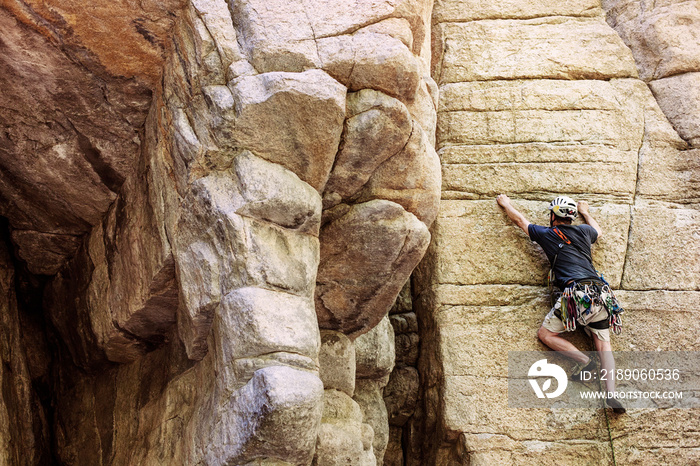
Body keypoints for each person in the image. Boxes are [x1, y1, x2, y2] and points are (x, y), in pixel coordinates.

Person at [496, 194, 625, 413]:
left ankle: (585, 361)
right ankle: (611, 393)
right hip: (603, 296)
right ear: (572, 217)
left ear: (553, 217)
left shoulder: (548, 233)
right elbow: (598, 231)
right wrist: (586, 213)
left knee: (545, 334)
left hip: (577, 295)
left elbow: (520, 222)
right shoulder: (584, 231)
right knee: (604, 347)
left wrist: (506, 204)